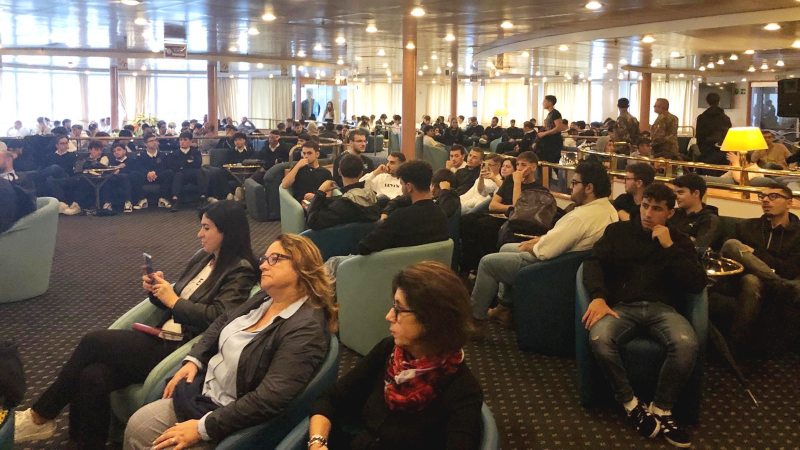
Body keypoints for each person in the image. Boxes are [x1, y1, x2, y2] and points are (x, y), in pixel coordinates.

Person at [14, 201, 259, 449]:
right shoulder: (203, 257)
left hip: (180, 346)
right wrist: (158, 291)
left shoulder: (240, 270)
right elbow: (178, 296)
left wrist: (173, 301)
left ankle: (40, 415)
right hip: (163, 333)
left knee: (93, 342)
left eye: (206, 228)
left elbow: (220, 317)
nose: (199, 234)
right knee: (93, 375)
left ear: (227, 231)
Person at [123, 234, 336, 449]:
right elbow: (222, 321)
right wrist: (194, 359)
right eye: (264, 259)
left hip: (227, 419)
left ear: (302, 266)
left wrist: (202, 428)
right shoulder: (266, 297)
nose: (263, 265)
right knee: (138, 425)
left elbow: (268, 399)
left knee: (146, 436)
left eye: (275, 259)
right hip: (202, 396)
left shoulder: (305, 329)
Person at [308, 261, 483, 450]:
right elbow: (331, 398)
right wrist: (318, 443)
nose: (389, 316)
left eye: (399, 309)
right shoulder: (390, 350)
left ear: (431, 319)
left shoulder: (463, 392)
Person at [582, 183, 706, 448]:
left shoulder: (679, 240)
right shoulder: (618, 232)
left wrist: (669, 247)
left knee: (686, 343)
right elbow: (593, 263)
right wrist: (598, 296)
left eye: (657, 209)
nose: (648, 214)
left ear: (670, 213)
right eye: (645, 206)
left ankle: (662, 408)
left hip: (663, 309)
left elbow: (696, 283)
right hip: (622, 307)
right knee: (599, 338)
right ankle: (631, 404)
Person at [470, 160, 618, 333]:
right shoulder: (608, 210)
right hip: (568, 263)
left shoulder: (580, 217)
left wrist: (531, 245)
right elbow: (559, 238)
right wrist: (538, 241)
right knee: (506, 248)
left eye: (575, 183)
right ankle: (504, 307)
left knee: (487, 263)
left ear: (589, 188)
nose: (571, 187)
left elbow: (546, 251)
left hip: (550, 267)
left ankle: (476, 320)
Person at [712, 183, 800, 356]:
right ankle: (782, 285)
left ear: (789, 202)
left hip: (777, 280)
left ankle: (735, 347)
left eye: (773, 197)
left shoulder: (798, 234)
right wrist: (751, 260)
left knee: (753, 281)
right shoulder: (746, 227)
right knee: (732, 245)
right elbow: (728, 256)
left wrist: (756, 254)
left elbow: (790, 269)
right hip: (745, 278)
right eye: (763, 197)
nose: (766, 200)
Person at [459, 151, 549, 273]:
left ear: (533, 167)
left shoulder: (538, 189)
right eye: (517, 165)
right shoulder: (509, 181)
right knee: (467, 220)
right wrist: (509, 208)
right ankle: (469, 266)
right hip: (499, 215)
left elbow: (518, 210)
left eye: (523, 165)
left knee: (484, 226)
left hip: (515, 223)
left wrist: (517, 183)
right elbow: (493, 205)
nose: (519, 168)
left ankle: (486, 266)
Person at [306, 154, 380, 230]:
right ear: (361, 173)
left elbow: (312, 222)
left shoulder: (344, 204)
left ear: (339, 172)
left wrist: (320, 192)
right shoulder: (373, 197)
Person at [668, 173, 720, 249]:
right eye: (675, 193)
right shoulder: (673, 213)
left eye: (680, 193)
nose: (676, 197)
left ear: (696, 193)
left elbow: (699, 248)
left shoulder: (710, 219)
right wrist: (688, 239)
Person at [134, 132, 174, 210]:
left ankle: (163, 199)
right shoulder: (140, 156)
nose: (154, 142)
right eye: (151, 141)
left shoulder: (163, 155)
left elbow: (165, 166)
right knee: (134, 174)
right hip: (145, 177)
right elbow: (139, 167)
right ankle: (142, 199)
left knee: (169, 172)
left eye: (156, 140)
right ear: (145, 144)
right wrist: (147, 173)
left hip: (158, 176)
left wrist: (155, 173)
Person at [169, 131, 207, 212]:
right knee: (178, 175)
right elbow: (173, 166)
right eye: (181, 140)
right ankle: (175, 200)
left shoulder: (195, 152)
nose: (182, 142)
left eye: (185, 140)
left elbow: (198, 164)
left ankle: (202, 198)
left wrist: (183, 164)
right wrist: (187, 163)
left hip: (193, 173)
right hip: (181, 173)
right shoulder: (175, 153)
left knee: (200, 172)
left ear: (190, 141)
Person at [695, 92, 731, 166]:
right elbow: (728, 136)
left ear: (707, 102)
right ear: (719, 102)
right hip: (722, 153)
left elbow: (699, 136)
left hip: (706, 152)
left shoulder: (702, 118)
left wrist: (703, 150)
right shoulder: (725, 118)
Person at [536, 95, 566, 163]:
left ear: (550, 102)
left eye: (544, 101)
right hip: (549, 141)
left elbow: (559, 128)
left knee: (552, 162)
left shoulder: (555, 113)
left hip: (554, 142)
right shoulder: (550, 114)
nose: (542, 103)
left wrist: (544, 133)